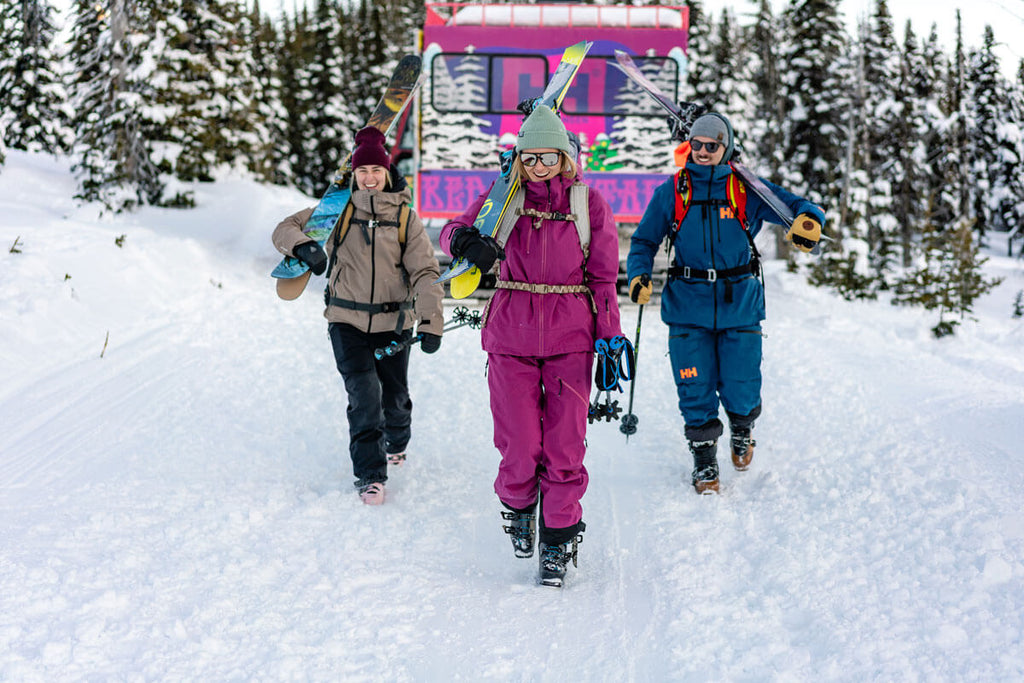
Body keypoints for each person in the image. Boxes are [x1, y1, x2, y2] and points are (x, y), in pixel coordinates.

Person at [440, 105, 622, 587]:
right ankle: (519, 509)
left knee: (564, 447)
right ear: (517, 159)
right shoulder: (502, 199)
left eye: (549, 157)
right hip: (510, 336)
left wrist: (610, 336)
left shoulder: (588, 204)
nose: (539, 167)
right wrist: (465, 242)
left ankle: (559, 541)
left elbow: (604, 279)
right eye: (530, 158)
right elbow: (450, 229)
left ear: (566, 158)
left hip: (572, 339)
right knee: (520, 444)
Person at [626, 112, 825, 494]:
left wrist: (809, 221)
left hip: (740, 303)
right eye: (697, 145)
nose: (702, 152)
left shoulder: (747, 188)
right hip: (688, 304)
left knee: (741, 384)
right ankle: (703, 461)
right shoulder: (673, 191)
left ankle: (742, 429)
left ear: (726, 146)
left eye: (711, 145)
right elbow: (644, 241)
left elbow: (798, 206)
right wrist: (639, 274)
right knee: (694, 386)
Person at [273, 126, 444, 505]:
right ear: (353, 174)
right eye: (362, 172)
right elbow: (284, 229)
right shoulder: (337, 211)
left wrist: (432, 320)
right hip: (345, 321)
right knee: (364, 395)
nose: (368, 179)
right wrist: (304, 247)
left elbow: (425, 273)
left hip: (394, 323)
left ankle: (397, 440)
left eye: (376, 172)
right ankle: (370, 474)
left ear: (387, 175)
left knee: (394, 398)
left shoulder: (404, 218)